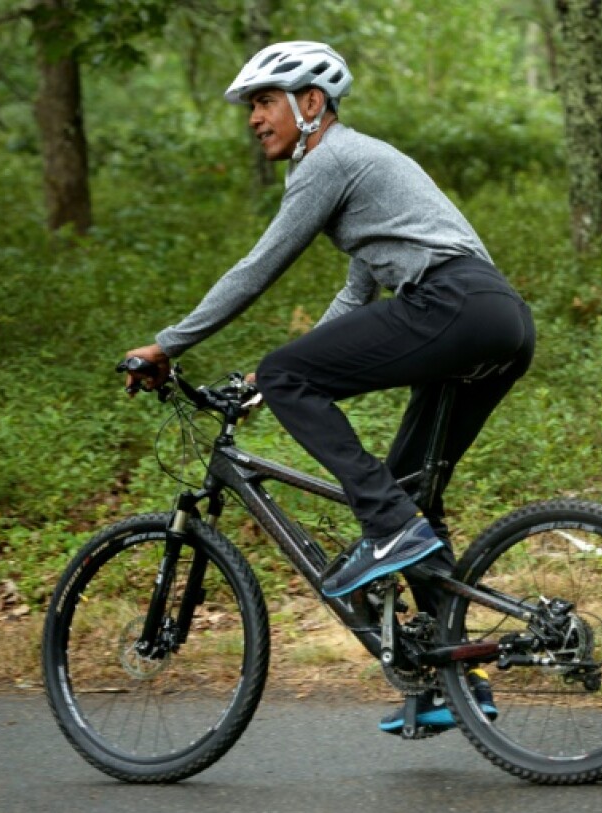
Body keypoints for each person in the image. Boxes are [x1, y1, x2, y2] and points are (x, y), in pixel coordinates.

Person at [123, 41, 534, 733]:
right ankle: (456, 679)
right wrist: (259, 382)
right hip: (499, 322)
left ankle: (389, 531)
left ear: (311, 103)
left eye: (264, 102)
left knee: (377, 495)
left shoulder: (329, 160)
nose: (254, 119)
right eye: (251, 107)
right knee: (409, 491)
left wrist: (168, 344)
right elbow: (355, 296)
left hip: (452, 305)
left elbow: (259, 268)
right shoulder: (364, 166)